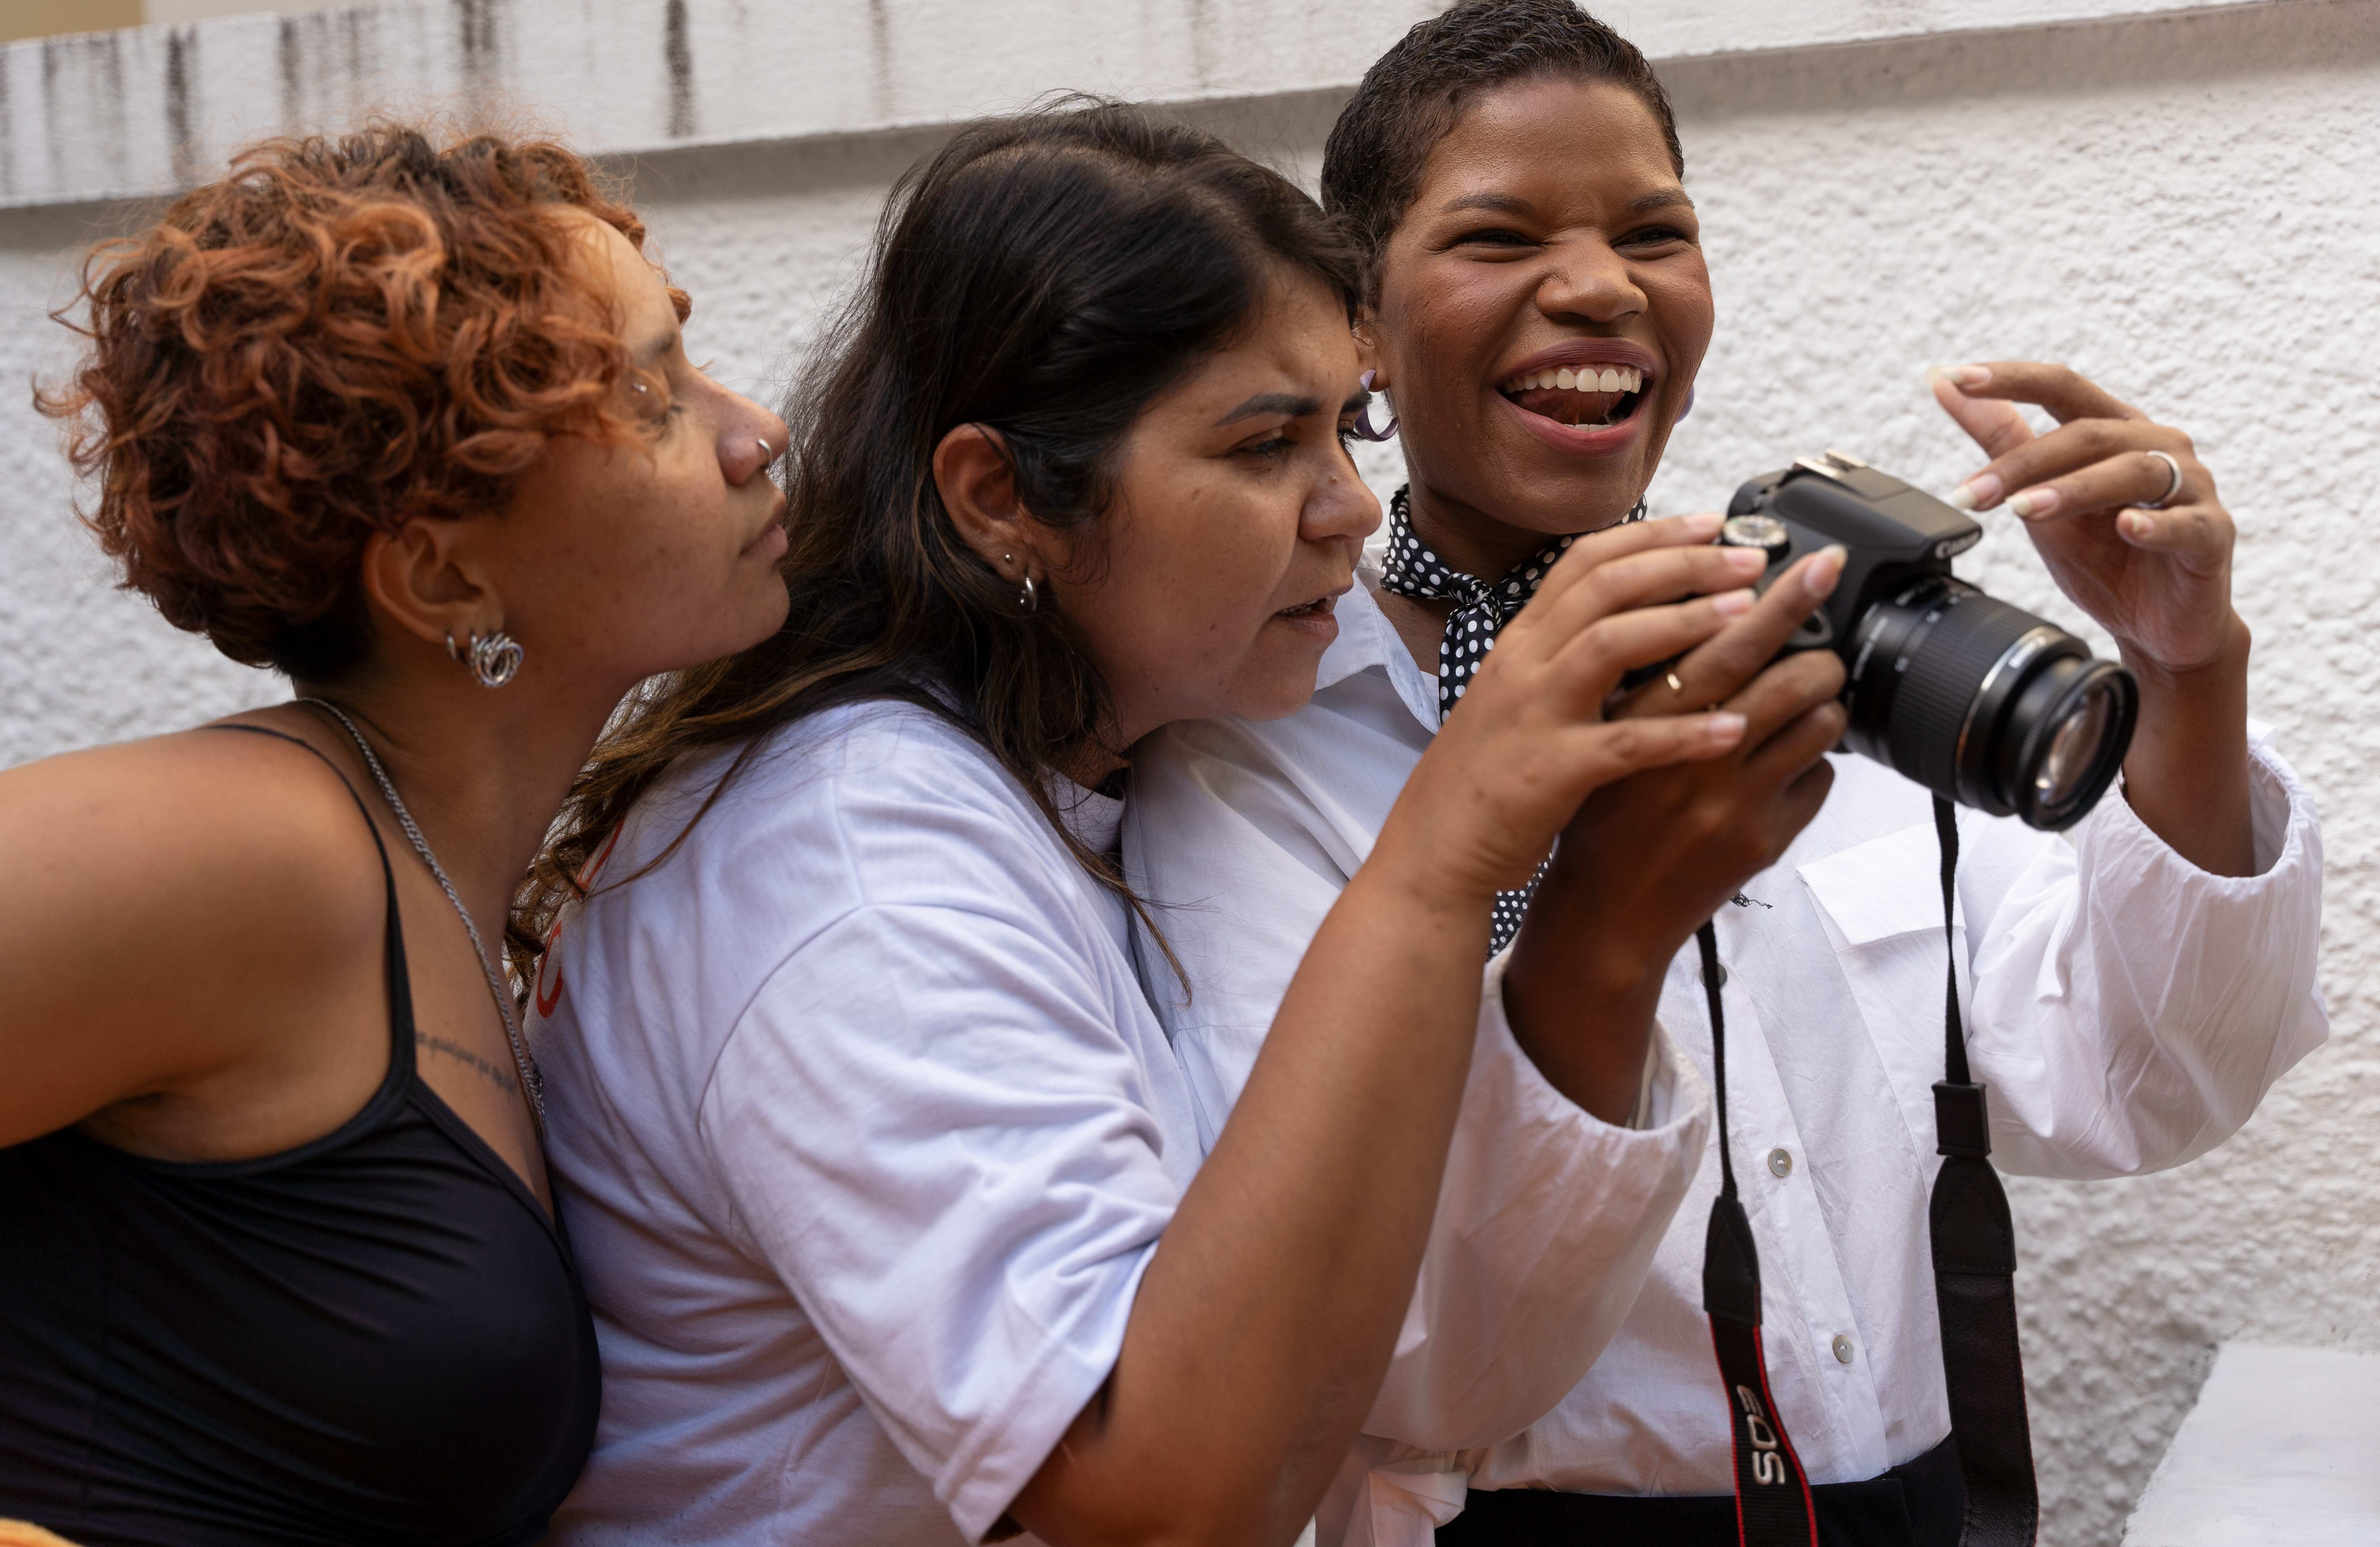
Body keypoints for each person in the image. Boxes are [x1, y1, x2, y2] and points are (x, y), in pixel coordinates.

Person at [1122, 0, 2326, 1547]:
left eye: (1654, 233)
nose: (1598, 287)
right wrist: (1602, 919)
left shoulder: (1819, 645)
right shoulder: (1255, 752)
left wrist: (2185, 671)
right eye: (1497, 237)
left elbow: (2147, 1083)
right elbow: (1381, 1352)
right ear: (1362, 323)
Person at [514, 100, 1804, 1546]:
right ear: (1003, 497)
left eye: (1347, 429)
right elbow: (1156, 1496)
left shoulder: (1062, 777)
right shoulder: (856, 862)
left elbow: (1368, 1356)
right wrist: (1446, 859)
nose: (1350, 511)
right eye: (1264, 447)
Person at [0, 127, 793, 1544]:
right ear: (440, 575)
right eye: (655, 397)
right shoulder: (249, 848)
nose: (756, 432)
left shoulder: (444, 883)